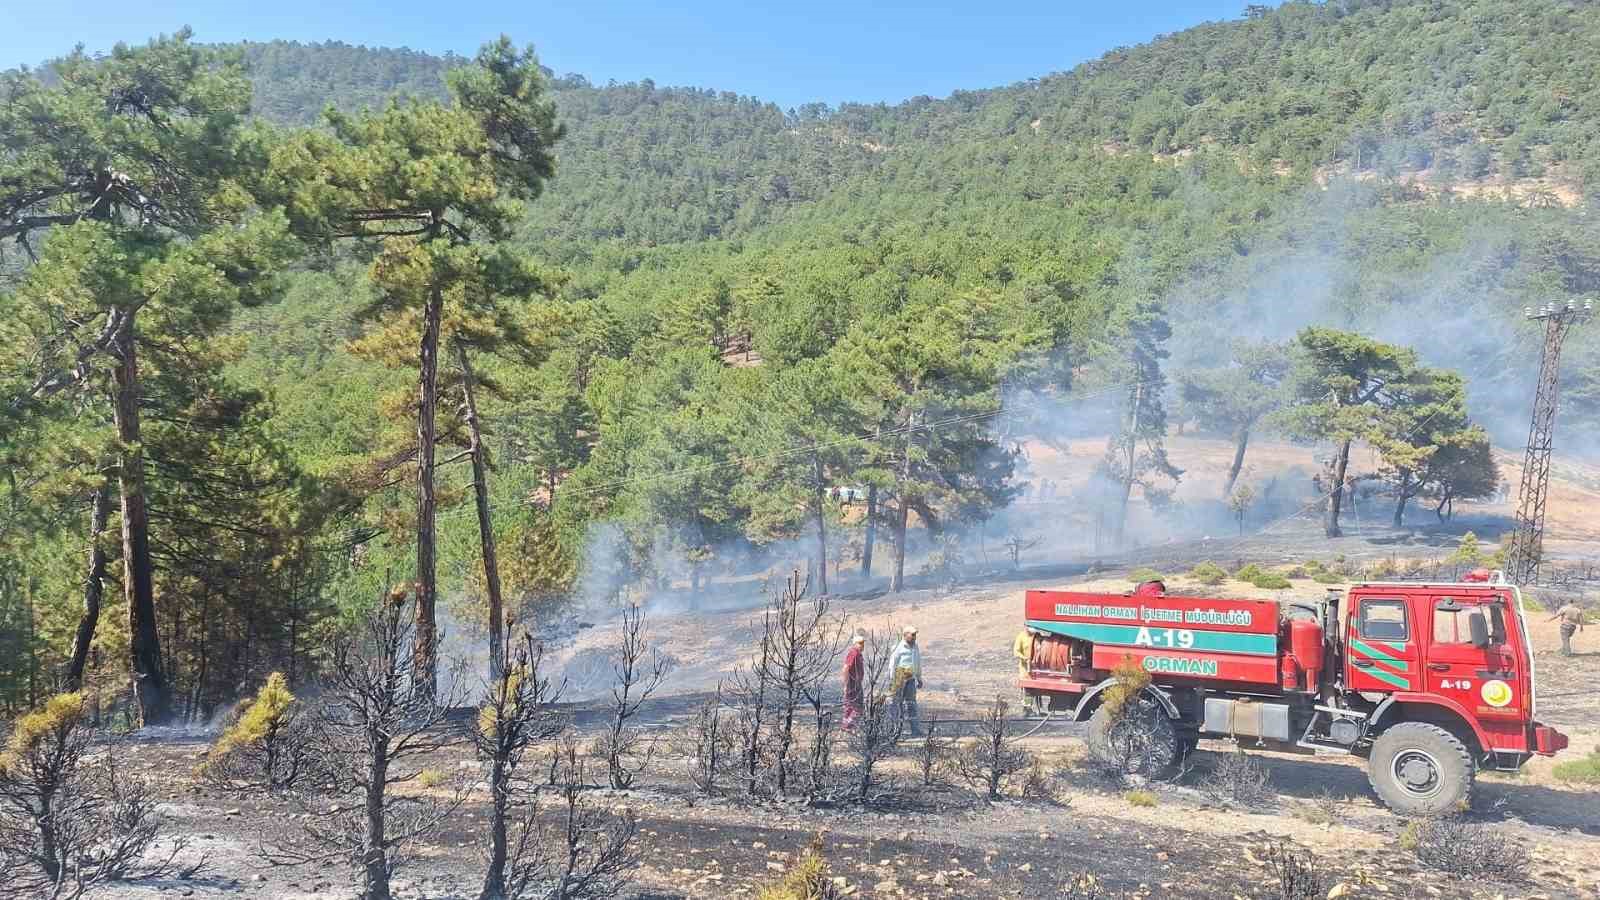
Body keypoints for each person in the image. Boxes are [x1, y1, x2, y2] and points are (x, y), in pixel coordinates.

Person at [890, 625, 924, 736]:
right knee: (896, 704)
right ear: (905, 635)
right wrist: (893, 679)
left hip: (910, 679)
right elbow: (892, 664)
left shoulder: (915, 647)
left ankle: (915, 730)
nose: (914, 637)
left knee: (911, 704)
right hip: (899, 677)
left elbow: (917, 662)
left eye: (915, 635)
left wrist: (919, 677)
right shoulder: (898, 647)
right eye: (912, 635)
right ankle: (894, 730)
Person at [842, 630, 866, 728]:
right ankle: (847, 726)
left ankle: (848, 726)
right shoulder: (853, 653)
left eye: (863, 643)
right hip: (852, 684)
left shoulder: (859, 654)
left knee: (855, 706)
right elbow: (846, 668)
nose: (862, 645)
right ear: (855, 644)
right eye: (860, 643)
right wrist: (846, 684)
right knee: (854, 706)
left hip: (857, 684)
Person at [1013, 628, 1037, 718]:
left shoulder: (1035, 636)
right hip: (1025, 669)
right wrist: (1024, 658)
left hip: (1035, 668)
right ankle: (1026, 708)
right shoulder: (1021, 637)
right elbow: (1016, 652)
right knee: (1028, 690)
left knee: (1032, 690)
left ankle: (1028, 707)